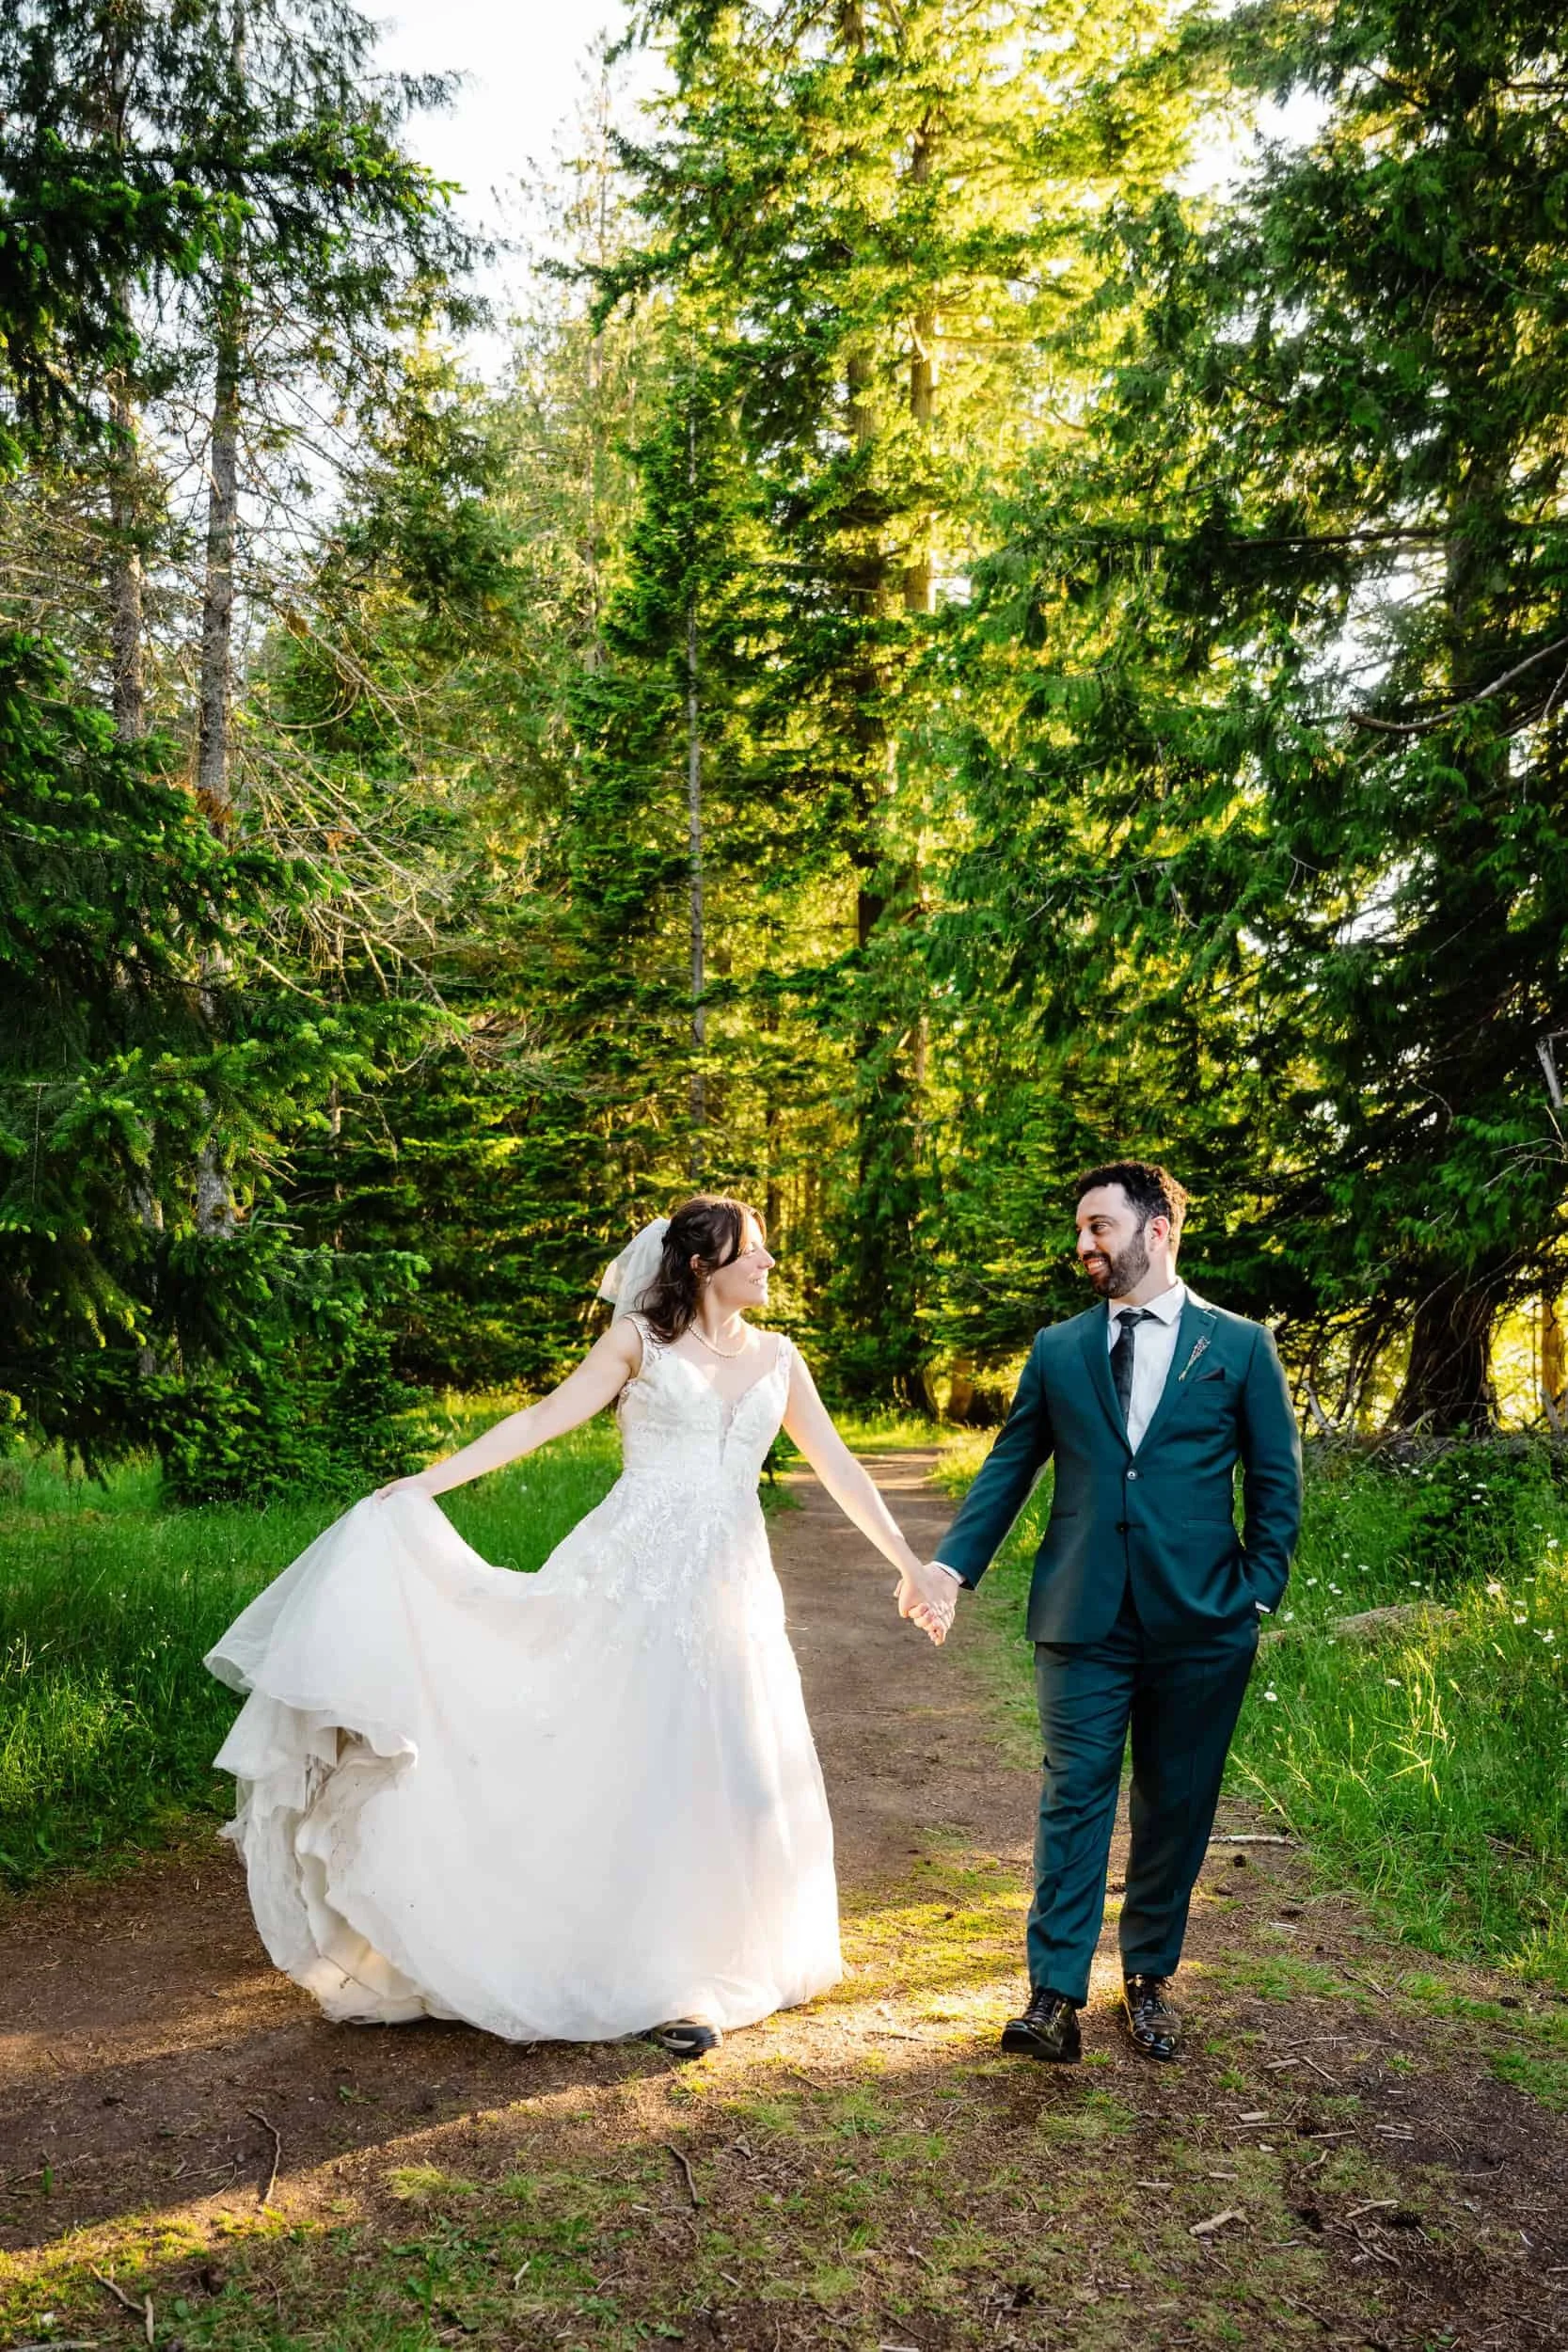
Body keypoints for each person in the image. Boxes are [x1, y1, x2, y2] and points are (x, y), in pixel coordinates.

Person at [206, 1196, 941, 2060]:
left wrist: (907, 1561)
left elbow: (838, 1465)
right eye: (755, 1251)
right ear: (702, 1265)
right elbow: (540, 1419)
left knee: (725, 1763)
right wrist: (427, 1485)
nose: (770, 1265)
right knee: (622, 1764)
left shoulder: (780, 1358)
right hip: (628, 1582)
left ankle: (710, 1963)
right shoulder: (639, 1341)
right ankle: (640, 1969)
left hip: (733, 1594)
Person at [898, 1160, 1301, 2064]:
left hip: (1202, 1620)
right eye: (1079, 1229)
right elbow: (1009, 1467)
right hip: (1081, 1615)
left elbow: (1276, 1486)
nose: (1082, 1245)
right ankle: (1053, 1996)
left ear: (1156, 1231)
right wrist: (949, 1567)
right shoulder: (1058, 1349)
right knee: (1073, 1795)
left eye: (1098, 1227)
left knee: (1176, 1804)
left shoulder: (1238, 1346)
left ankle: (1149, 1979)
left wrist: (1255, 1592)